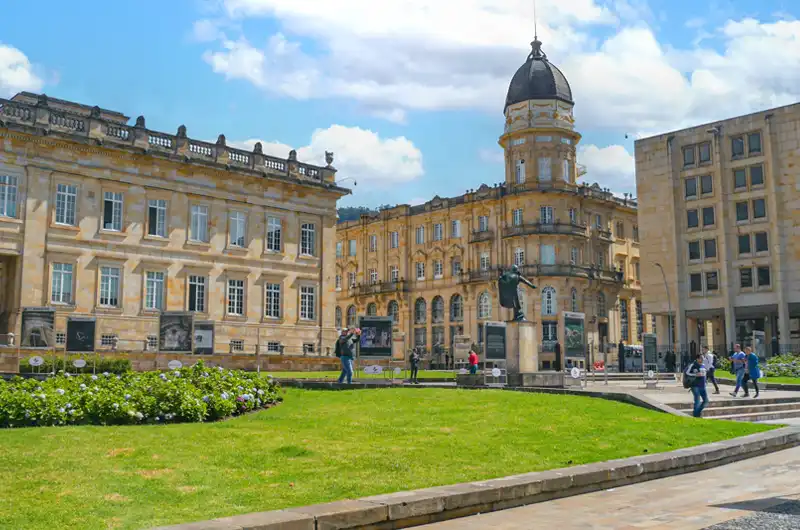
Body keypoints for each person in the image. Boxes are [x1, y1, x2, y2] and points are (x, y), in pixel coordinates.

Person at [686, 352, 709, 417]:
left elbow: (705, 373)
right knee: (697, 400)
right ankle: (696, 416)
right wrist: (695, 374)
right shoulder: (693, 365)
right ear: (697, 359)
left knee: (706, 401)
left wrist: (706, 380)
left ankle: (697, 413)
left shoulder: (703, 365)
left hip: (703, 386)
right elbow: (687, 373)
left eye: (703, 358)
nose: (702, 359)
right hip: (695, 385)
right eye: (701, 358)